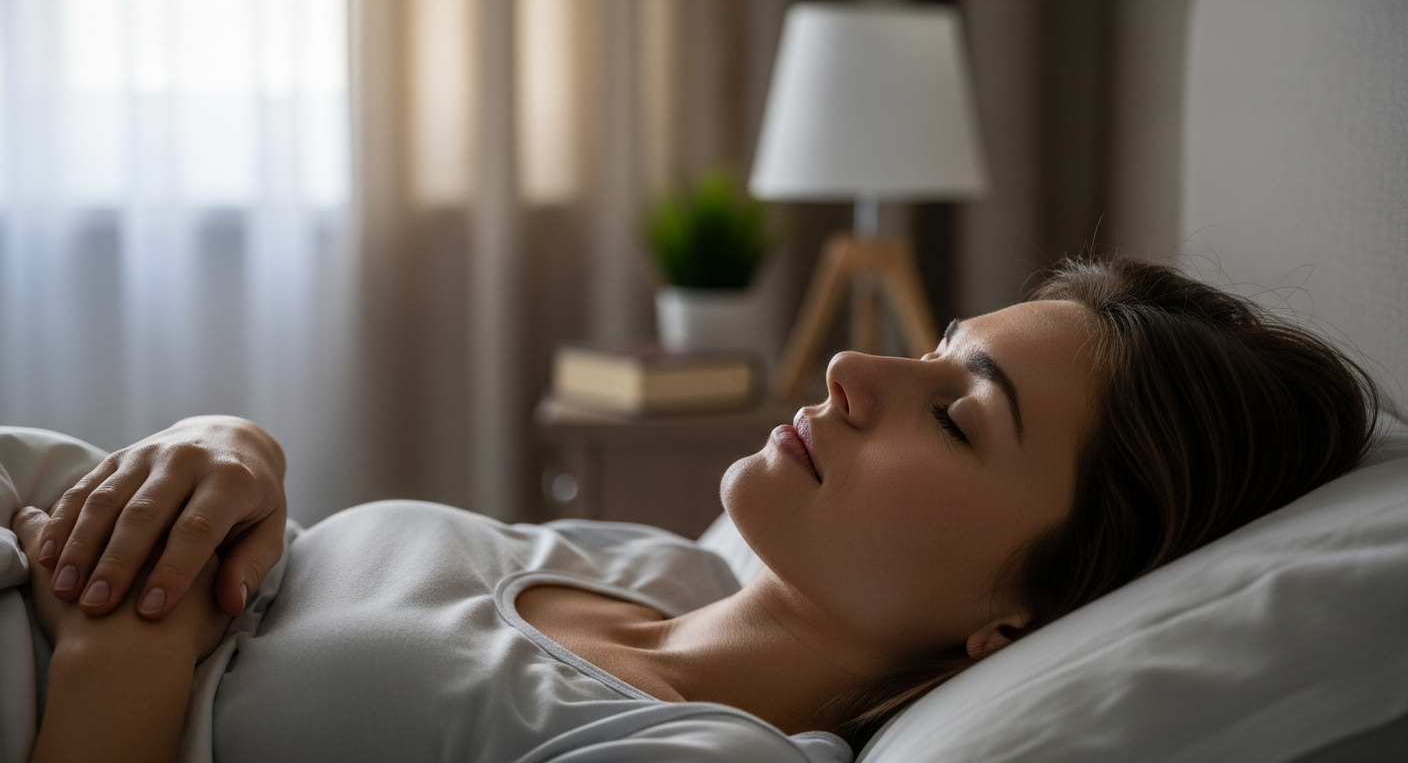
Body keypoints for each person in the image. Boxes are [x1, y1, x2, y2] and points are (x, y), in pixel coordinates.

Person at [6, 256, 1382, 763]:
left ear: (1016, 615)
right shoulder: (648, 568)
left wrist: (116, 663)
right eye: (932, 343)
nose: (851, 371)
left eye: (958, 412)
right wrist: (224, 445)